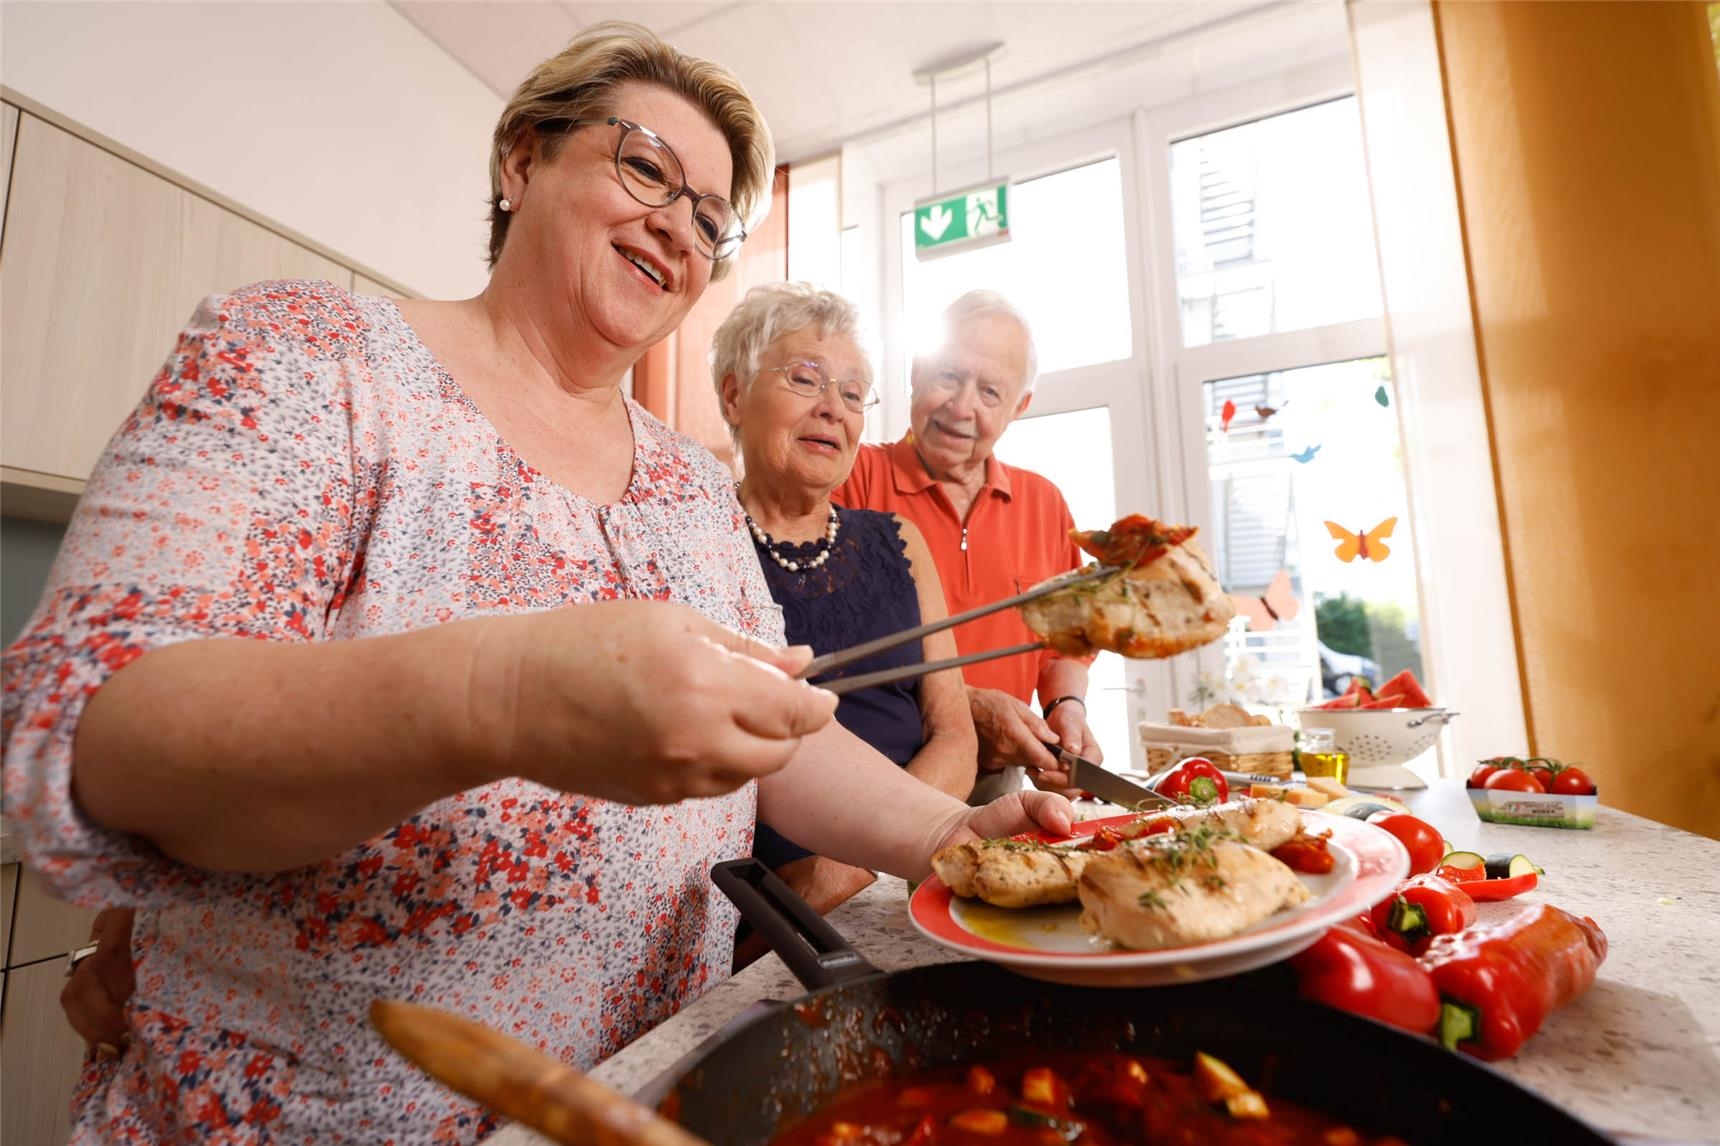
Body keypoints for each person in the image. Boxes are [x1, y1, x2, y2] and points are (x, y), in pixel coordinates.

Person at [4, 25, 1068, 1143]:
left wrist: (958, 840)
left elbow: (784, 736)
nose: (678, 225)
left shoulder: (687, 490)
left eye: (711, 219)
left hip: (646, 1095)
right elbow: (101, 731)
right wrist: (500, 694)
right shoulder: (308, 358)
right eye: (646, 167)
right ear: (521, 160)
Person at [714, 282, 977, 920]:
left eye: (854, 393)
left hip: (901, 874)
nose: (835, 408)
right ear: (734, 395)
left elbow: (956, 734)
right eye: (806, 380)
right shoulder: (699, 537)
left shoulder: (899, 543)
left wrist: (857, 864)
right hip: (750, 902)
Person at [834, 291, 1100, 803]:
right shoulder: (852, 478)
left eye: (990, 392)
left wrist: (1067, 710)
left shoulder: (1046, 504)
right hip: (872, 772)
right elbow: (827, 645)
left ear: (1019, 407)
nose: (961, 407)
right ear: (916, 371)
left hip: (999, 780)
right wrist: (963, 708)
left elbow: (1064, 645)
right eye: (949, 376)